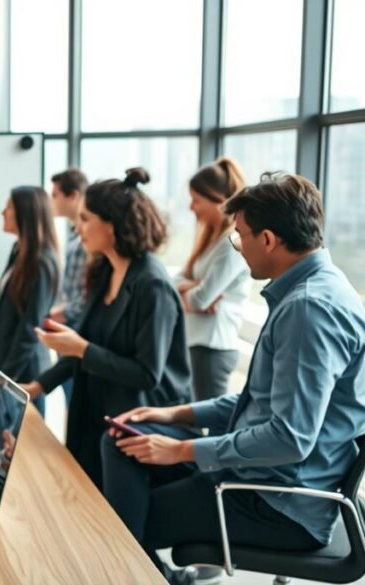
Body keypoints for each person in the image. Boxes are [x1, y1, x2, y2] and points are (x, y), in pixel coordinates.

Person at [102, 172, 365, 585]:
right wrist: (174, 414)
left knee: (124, 524)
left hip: (277, 505)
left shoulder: (308, 310)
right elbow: (255, 403)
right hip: (262, 482)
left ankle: (128, 571)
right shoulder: (313, 291)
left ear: (269, 239)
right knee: (124, 437)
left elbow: (289, 438)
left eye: (240, 235)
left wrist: (183, 450)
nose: (238, 247)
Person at [22, 168, 191, 489]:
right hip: (97, 414)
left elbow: (146, 373)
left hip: (135, 428)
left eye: (86, 219)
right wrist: (37, 387)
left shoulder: (152, 285)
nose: (78, 228)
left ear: (112, 226)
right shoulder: (104, 271)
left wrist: (81, 349)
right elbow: (83, 346)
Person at [0, 186, 59, 416]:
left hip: (23, 372)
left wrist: (4, 379)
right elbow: (13, 306)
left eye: (8, 208)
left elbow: (30, 327)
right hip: (8, 365)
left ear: (25, 214)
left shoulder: (42, 262)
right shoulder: (20, 251)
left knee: (26, 444)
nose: (2, 213)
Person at [176, 157, 252, 402]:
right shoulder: (210, 239)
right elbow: (177, 280)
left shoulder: (231, 244)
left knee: (212, 425)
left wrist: (196, 291)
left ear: (219, 201)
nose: (191, 208)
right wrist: (194, 286)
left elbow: (200, 301)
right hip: (199, 343)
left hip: (213, 348)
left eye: (196, 200)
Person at [48, 167, 89, 407]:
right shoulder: (76, 236)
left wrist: (58, 314)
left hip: (75, 327)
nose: (52, 200)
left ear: (73, 196)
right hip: (68, 325)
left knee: (75, 401)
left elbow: (85, 294)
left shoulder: (85, 241)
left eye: (55, 194)